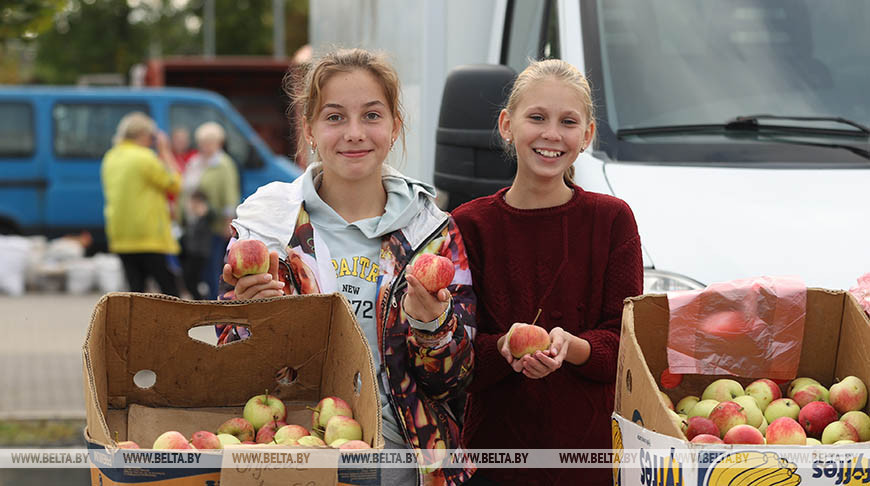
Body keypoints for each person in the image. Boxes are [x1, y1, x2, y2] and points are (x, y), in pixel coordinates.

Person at [216, 48, 477, 486]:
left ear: (395, 127)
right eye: (335, 117)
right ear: (310, 130)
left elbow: (456, 383)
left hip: (402, 469)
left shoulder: (431, 235)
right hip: (296, 458)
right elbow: (231, 372)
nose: (354, 133)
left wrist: (434, 328)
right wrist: (248, 321)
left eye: (371, 116)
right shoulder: (268, 229)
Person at [452, 59, 643, 486]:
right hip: (495, 459)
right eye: (536, 117)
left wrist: (571, 347)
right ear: (507, 124)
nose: (551, 134)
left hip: (589, 460)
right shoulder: (468, 225)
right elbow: (454, 356)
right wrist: (502, 347)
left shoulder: (613, 221)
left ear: (587, 134)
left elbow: (628, 347)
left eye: (568, 121)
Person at [101, 112, 181, 296]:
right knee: (170, 290)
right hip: (148, 235)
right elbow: (174, 183)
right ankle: (174, 325)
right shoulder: (145, 158)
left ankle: (138, 325)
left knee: (136, 292)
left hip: (120, 235)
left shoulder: (111, 157)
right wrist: (165, 151)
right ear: (144, 135)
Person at [180, 122, 240, 299]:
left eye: (209, 142)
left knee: (212, 265)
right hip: (194, 224)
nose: (205, 146)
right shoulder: (195, 162)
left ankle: (216, 301)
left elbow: (230, 194)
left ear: (218, 143)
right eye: (202, 142)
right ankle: (206, 299)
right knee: (196, 266)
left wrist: (228, 221)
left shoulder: (223, 164)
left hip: (213, 222)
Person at [180, 190, 213, 300]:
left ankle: (201, 300)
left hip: (199, 253)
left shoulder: (205, 214)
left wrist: (204, 213)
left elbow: (213, 215)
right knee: (189, 280)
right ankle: (198, 300)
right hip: (191, 252)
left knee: (195, 280)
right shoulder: (191, 217)